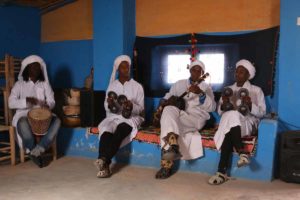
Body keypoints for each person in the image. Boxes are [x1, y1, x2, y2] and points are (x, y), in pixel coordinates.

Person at [208, 59, 266, 185]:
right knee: (231, 120)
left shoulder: (256, 90)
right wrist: (224, 104)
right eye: (236, 71)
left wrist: (250, 105)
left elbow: (262, 113)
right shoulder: (228, 89)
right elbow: (219, 112)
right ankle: (241, 154)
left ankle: (221, 171)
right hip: (232, 125)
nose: (237, 74)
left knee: (230, 121)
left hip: (247, 123)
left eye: (241, 72)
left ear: (248, 75)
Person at [155, 60, 216, 179]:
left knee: (167, 125)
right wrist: (163, 102)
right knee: (168, 110)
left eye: (200, 70)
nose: (197, 72)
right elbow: (167, 97)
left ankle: (166, 166)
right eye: (194, 69)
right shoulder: (179, 84)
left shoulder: (206, 87)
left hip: (196, 118)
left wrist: (201, 94)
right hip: (181, 115)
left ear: (203, 73)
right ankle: (173, 146)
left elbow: (212, 107)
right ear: (190, 70)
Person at [94, 55, 144, 178]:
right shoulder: (112, 86)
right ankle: (104, 165)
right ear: (117, 69)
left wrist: (131, 106)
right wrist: (110, 104)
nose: (126, 69)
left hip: (131, 117)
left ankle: (103, 159)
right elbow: (106, 106)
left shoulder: (137, 86)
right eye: (123, 67)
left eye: (127, 67)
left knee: (121, 128)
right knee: (106, 129)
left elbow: (141, 109)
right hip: (113, 116)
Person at [8, 55, 61, 168]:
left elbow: (52, 101)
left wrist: (48, 105)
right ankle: (32, 149)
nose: (36, 70)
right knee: (22, 122)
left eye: (38, 68)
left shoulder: (44, 84)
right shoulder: (19, 85)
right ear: (27, 69)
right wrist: (26, 101)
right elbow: (11, 103)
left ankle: (38, 149)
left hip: (42, 114)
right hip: (24, 114)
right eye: (33, 67)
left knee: (57, 121)